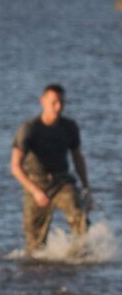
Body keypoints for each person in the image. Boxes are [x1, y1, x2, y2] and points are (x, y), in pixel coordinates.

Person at [11, 84, 90, 252]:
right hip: (36, 182)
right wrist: (35, 191)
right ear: (43, 101)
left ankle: (80, 257)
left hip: (62, 181)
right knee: (35, 242)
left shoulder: (69, 127)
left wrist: (86, 186)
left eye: (61, 102)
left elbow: (77, 157)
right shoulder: (30, 129)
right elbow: (15, 167)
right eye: (54, 102)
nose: (58, 107)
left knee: (79, 217)